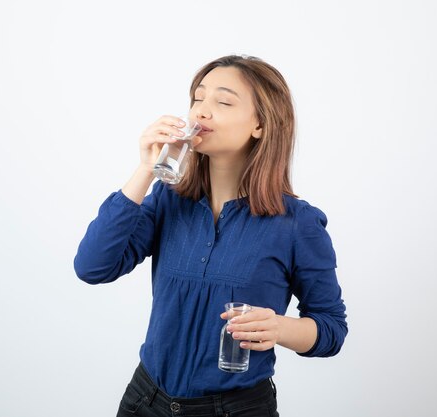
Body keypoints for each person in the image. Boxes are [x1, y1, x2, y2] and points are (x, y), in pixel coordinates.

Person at [74, 55, 348, 417]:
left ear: (261, 126)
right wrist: (145, 170)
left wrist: (278, 327)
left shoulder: (298, 224)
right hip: (145, 402)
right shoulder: (167, 201)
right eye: (198, 99)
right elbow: (93, 267)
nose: (201, 112)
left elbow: (331, 329)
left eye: (223, 102)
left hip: (236, 409)